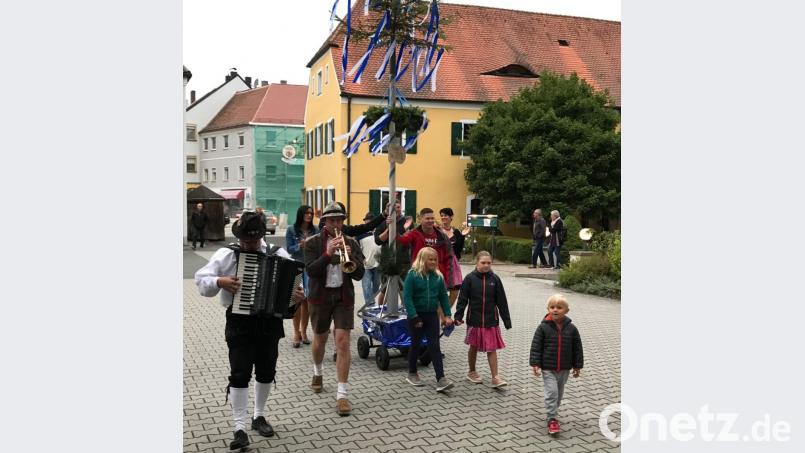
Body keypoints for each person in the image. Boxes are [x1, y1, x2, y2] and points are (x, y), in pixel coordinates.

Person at [194, 211, 305, 450]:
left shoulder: (279, 255)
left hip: (270, 323)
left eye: (252, 242)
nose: (248, 245)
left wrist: (296, 297)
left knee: (266, 371)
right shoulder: (227, 254)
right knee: (240, 372)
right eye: (244, 241)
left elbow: (295, 291)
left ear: (261, 237)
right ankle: (239, 427)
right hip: (239, 321)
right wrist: (220, 282)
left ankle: (258, 416)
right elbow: (201, 279)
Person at [303, 202, 365, 416]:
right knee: (320, 340)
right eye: (332, 220)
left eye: (339, 220)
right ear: (325, 222)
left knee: (343, 342)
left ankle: (342, 394)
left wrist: (353, 259)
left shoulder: (351, 242)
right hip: (320, 298)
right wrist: (329, 254)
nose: (336, 224)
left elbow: (359, 275)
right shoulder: (312, 243)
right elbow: (311, 271)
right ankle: (318, 372)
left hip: (342, 297)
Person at [454, 251, 512, 388]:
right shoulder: (469, 278)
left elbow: (502, 301)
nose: (486, 265)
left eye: (489, 263)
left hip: (491, 321)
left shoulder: (495, 279)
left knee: (492, 348)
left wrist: (507, 321)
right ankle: (472, 372)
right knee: (473, 347)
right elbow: (462, 299)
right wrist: (458, 316)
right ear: (477, 263)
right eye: (483, 263)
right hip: (474, 320)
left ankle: (495, 377)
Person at [529, 294, 583, 435]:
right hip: (548, 367)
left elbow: (577, 348)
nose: (555, 310)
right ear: (548, 309)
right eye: (552, 307)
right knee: (552, 392)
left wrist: (577, 366)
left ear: (566, 310)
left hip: (564, 368)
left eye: (559, 307)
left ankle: (553, 411)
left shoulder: (572, 329)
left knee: (558, 394)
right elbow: (536, 346)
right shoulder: (543, 328)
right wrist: (535, 363)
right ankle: (552, 419)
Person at [402, 247, 455, 392]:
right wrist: (414, 316)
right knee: (416, 344)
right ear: (422, 260)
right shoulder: (412, 275)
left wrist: (448, 315)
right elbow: (407, 298)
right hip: (416, 315)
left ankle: (441, 379)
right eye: (429, 259)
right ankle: (412, 372)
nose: (433, 262)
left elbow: (443, 297)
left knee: (435, 345)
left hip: (432, 315)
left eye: (435, 259)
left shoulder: (438, 277)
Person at [286, 205, 318, 347]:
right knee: (297, 301)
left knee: (307, 302)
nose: (309, 215)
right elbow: (289, 249)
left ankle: (304, 332)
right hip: (296, 268)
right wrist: (300, 246)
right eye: (306, 213)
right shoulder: (291, 230)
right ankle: (296, 332)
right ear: (301, 214)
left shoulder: (315, 230)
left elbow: (319, 248)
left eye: (311, 213)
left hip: (310, 268)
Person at [438, 207, 467, 307]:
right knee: (440, 292)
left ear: (451, 217)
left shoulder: (456, 232)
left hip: (452, 264)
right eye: (442, 215)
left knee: (455, 292)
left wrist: (462, 236)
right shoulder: (437, 231)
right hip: (439, 263)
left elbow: (458, 249)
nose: (443, 217)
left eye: (445, 215)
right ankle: (440, 316)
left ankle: (446, 312)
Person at [358, 212, 382, 306]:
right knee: (366, 286)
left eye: (370, 222)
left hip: (378, 264)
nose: (367, 223)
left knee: (377, 286)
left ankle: (370, 300)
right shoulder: (360, 233)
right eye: (366, 221)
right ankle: (370, 305)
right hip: (365, 265)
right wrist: (361, 258)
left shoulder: (379, 232)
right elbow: (356, 248)